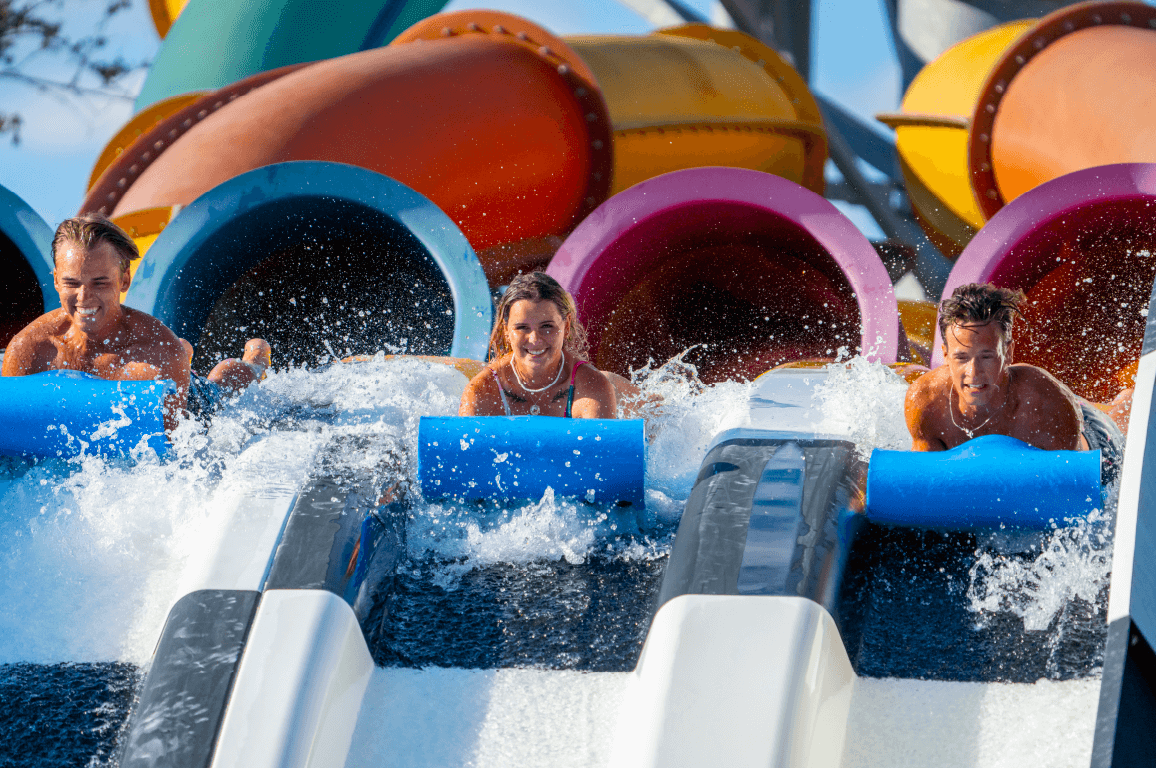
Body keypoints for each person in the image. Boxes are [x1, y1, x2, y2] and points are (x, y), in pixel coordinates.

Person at [905, 284, 1122, 475]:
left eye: (987, 356)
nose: (974, 372)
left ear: (1008, 352)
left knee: (1118, 417)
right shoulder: (927, 403)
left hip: (1091, 440)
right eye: (961, 357)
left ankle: (1123, 402)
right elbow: (927, 487)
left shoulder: (1044, 405)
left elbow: (1070, 491)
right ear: (945, 355)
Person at [2, 214, 190, 431]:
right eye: (71, 283)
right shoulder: (28, 351)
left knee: (229, 373)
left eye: (99, 283)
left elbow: (176, 451)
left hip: (192, 401)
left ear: (124, 280)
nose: (83, 297)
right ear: (55, 281)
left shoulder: (156, 355)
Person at [460, 271, 617, 418]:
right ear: (506, 330)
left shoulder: (591, 388)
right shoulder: (482, 390)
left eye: (547, 326)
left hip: (612, 386)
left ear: (567, 326)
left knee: (612, 381)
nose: (535, 339)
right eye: (522, 327)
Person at [181, 337, 272, 419]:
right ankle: (256, 364)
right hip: (205, 398)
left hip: (197, 391)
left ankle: (256, 364)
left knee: (179, 346)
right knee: (258, 348)